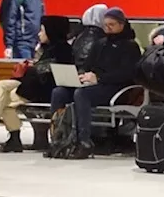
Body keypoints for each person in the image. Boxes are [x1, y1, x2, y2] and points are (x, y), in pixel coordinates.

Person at [0, 15, 73, 152]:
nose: (39, 34)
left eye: (42, 30)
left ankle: (9, 136)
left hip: (42, 90)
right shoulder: (46, 48)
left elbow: (49, 72)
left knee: (5, 102)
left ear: (51, 31)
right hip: (32, 85)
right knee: (1, 85)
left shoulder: (62, 50)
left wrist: (33, 67)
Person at [49, 8, 140, 159]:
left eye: (111, 24)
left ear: (121, 24)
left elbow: (128, 74)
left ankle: (84, 141)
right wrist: (82, 74)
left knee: (82, 94)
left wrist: (99, 78)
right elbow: (88, 64)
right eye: (105, 25)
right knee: (59, 92)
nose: (108, 28)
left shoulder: (130, 46)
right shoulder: (100, 44)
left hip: (115, 88)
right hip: (94, 84)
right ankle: (58, 138)